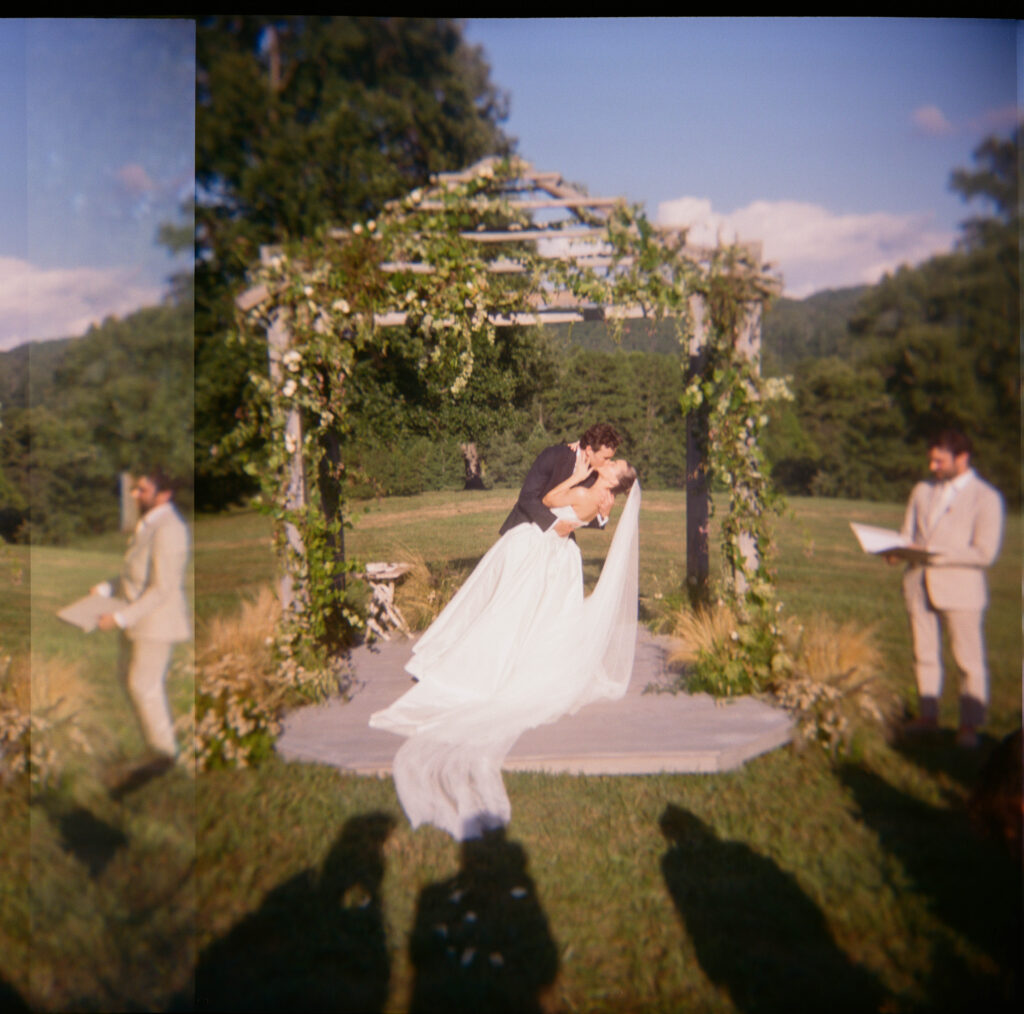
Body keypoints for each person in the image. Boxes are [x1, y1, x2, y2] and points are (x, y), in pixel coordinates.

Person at [370, 445, 640, 841]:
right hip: (560, 559)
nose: (611, 463)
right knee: (539, 621)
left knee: (505, 613)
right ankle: (523, 664)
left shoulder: (585, 491)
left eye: (615, 465)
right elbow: (595, 518)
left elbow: (547, 500)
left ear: (614, 479)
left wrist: (573, 477)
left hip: (541, 553)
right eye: (612, 458)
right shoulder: (603, 499)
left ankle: (476, 668)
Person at [889, 430, 1004, 748]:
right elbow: (906, 534)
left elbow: (984, 553)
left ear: (962, 458)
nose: (932, 466)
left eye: (940, 460)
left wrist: (935, 554)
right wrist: (896, 550)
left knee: (968, 660)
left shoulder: (987, 498)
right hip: (918, 584)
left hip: (961, 590)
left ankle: (969, 725)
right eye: (931, 458)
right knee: (923, 654)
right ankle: (928, 717)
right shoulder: (921, 491)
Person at [94, 468, 191, 774]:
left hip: (156, 622)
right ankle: (156, 748)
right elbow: (136, 575)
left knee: (144, 686)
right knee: (128, 679)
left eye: (143, 491)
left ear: (164, 495)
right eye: (136, 489)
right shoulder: (149, 523)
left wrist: (120, 617)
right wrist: (106, 588)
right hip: (137, 619)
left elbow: (161, 588)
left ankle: (168, 758)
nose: (135, 495)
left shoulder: (170, 529)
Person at [498, 422, 621, 539]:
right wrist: (554, 523)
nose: (608, 463)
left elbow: (578, 516)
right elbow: (527, 497)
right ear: (589, 451)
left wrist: (603, 516)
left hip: (559, 543)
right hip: (523, 530)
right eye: (605, 458)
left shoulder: (596, 477)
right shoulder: (554, 455)